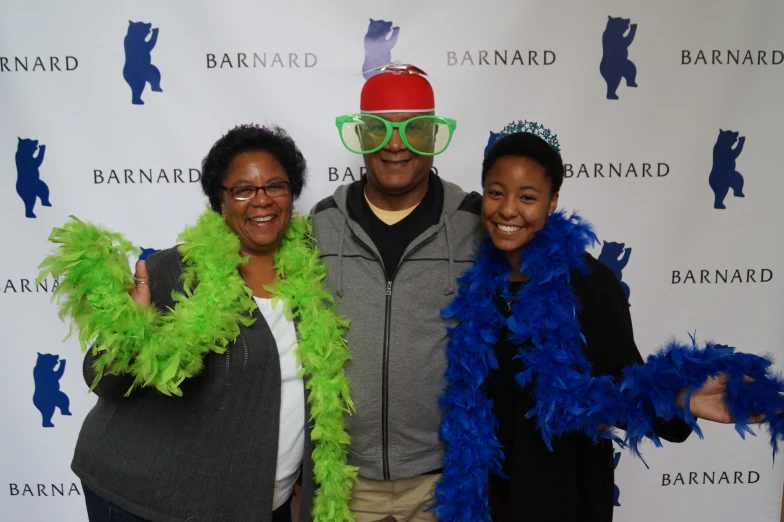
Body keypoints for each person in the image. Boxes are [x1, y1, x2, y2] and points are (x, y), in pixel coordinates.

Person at [434, 129, 784, 522]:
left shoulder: (590, 284)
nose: (508, 209)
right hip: (485, 494)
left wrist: (682, 396)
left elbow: (625, 385)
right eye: (496, 193)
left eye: (527, 197)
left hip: (563, 496)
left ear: (552, 203)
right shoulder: (479, 282)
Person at [37, 124, 356, 522]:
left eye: (275, 186)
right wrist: (129, 330)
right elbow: (101, 380)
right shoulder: (172, 271)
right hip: (145, 501)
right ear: (220, 202)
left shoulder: (314, 275)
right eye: (243, 189)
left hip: (257, 504)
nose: (262, 200)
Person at [310, 64, 484, 521]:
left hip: (443, 479)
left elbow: (549, 281)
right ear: (362, 135)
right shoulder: (322, 224)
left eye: (414, 129)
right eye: (379, 129)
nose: (394, 144)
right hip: (345, 479)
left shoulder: (473, 224)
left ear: (433, 135)